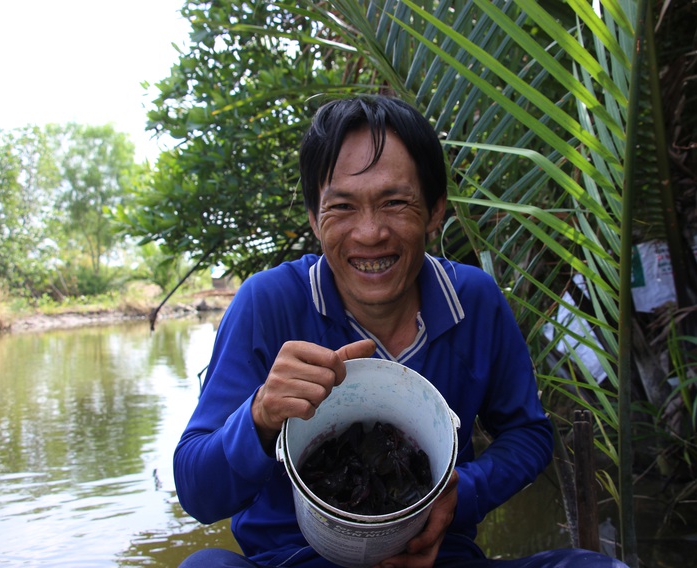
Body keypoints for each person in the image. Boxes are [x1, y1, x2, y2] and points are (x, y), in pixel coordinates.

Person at [175, 95, 626, 568]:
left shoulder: (473, 300)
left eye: (394, 202)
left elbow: (528, 433)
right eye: (342, 207)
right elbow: (196, 491)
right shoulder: (268, 303)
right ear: (314, 219)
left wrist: (457, 496)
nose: (370, 233)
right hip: (294, 558)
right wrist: (261, 417)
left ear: (434, 211)